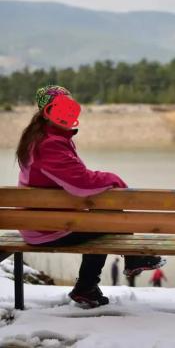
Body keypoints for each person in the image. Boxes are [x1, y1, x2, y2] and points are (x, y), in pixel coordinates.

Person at [16, 85, 166, 307]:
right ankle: (95, 281)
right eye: (62, 106)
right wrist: (114, 179)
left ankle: (96, 281)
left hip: (43, 220)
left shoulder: (42, 138)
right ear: (48, 111)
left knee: (102, 216)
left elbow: (73, 180)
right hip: (46, 228)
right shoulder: (50, 144)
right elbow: (81, 183)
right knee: (104, 222)